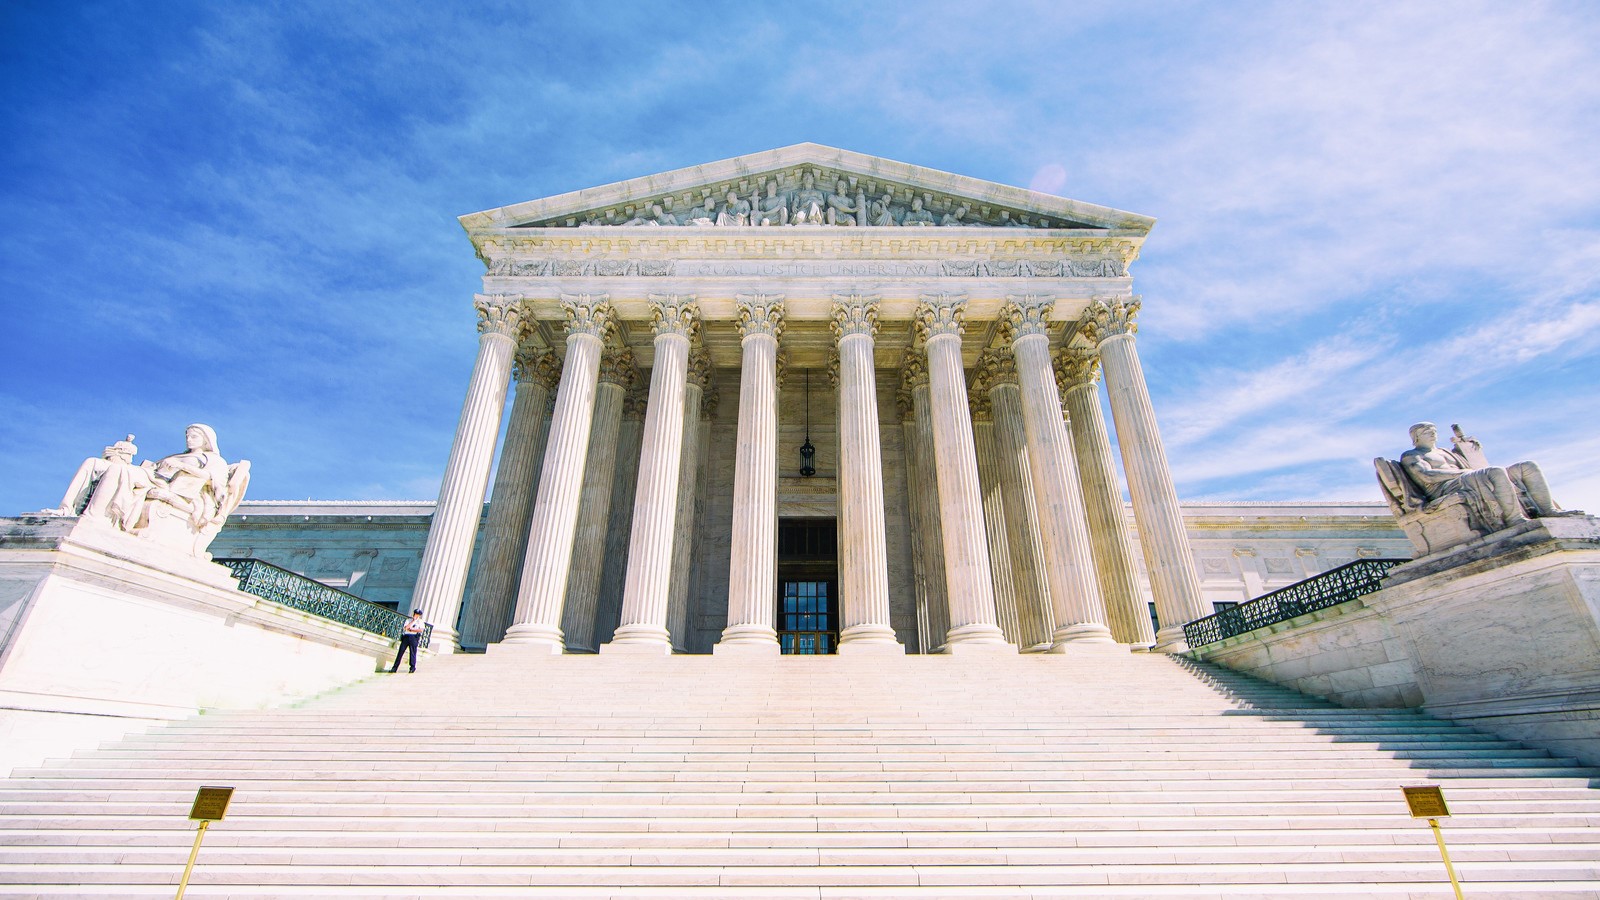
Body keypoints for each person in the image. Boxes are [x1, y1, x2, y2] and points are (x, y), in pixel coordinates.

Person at [1399, 422, 1567, 532]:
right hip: (1448, 486)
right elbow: (1427, 476)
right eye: (1426, 431)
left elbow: (1469, 464)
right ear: (1416, 437)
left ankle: (1548, 510)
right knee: (1495, 472)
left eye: (1433, 430)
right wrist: (1463, 473)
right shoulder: (1411, 455)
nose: (1432, 433)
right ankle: (1514, 518)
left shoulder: (1445, 452)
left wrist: (1466, 446)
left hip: (1468, 477)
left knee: (1528, 467)